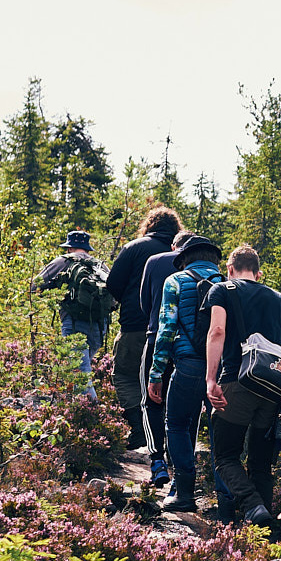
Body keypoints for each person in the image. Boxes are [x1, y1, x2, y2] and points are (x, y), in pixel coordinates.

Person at [204, 244, 281, 527]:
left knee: (226, 457)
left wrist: (211, 379)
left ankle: (252, 506)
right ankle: (266, 529)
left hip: (235, 382)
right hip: (271, 390)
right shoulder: (279, 300)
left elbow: (217, 331)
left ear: (229, 269)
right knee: (260, 463)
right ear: (259, 274)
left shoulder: (221, 290)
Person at [145, 231, 224, 513]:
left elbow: (166, 329)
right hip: (222, 370)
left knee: (177, 424)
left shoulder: (175, 281)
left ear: (185, 259)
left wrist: (156, 374)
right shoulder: (227, 284)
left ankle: (185, 492)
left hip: (188, 365)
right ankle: (225, 501)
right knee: (219, 432)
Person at [107, 206, 182, 450]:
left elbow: (113, 283)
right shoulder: (183, 252)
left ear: (149, 225)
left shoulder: (134, 248)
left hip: (134, 325)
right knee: (167, 381)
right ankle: (167, 435)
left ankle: (139, 428)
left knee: (125, 375)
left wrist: (129, 302)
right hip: (175, 331)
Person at [135, 221, 188, 490]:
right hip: (192, 348)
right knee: (184, 408)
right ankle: (182, 469)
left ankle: (157, 461)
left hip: (157, 336)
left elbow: (144, 303)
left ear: (174, 246)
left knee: (150, 400)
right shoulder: (208, 270)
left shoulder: (155, 261)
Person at [32, 231, 109, 399]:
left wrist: (54, 293)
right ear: (87, 248)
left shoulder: (62, 261)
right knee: (81, 369)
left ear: (69, 247)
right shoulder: (100, 265)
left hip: (74, 323)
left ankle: (91, 410)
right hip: (99, 325)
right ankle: (77, 407)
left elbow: (35, 285)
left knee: (81, 375)